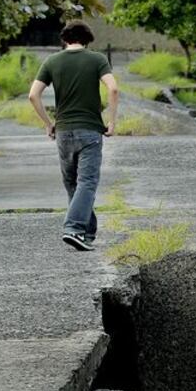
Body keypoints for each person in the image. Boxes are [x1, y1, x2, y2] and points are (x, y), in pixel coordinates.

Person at [27, 21, 119, 252]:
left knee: (73, 184)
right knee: (87, 182)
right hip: (90, 130)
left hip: (64, 131)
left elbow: (33, 95)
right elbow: (113, 88)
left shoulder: (52, 61)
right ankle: (74, 228)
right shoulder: (97, 59)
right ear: (87, 40)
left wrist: (48, 124)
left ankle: (86, 233)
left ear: (64, 39)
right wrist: (112, 121)